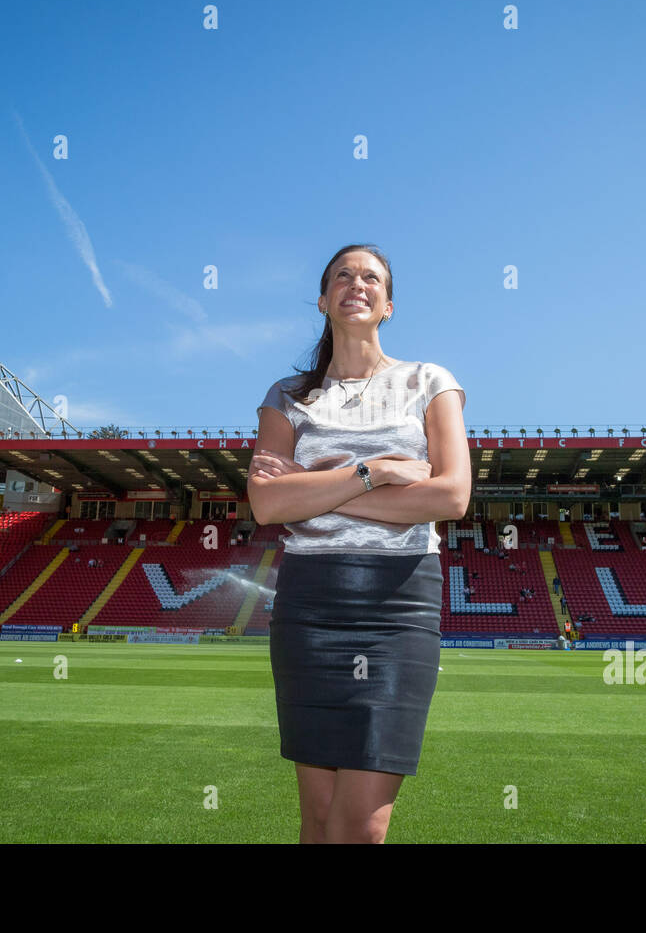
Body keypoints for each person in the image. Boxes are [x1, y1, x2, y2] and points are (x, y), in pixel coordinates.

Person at [250, 244, 468, 844]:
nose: (356, 284)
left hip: (398, 603)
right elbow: (267, 505)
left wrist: (314, 491)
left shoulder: (431, 382)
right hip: (309, 607)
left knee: (361, 825)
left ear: (388, 305)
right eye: (342, 275)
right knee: (317, 821)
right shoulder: (287, 396)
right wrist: (374, 473)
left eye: (371, 277)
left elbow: (451, 497)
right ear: (324, 300)